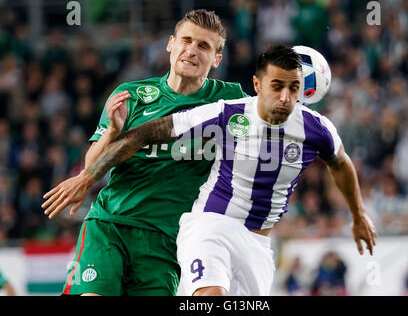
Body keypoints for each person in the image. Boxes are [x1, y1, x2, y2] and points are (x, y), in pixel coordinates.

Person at [43, 45, 377, 296]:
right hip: (210, 225)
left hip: (257, 243)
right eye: (277, 86)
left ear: (304, 91)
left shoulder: (317, 129)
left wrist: (358, 214)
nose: (285, 97)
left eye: (293, 87)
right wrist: (89, 175)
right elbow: (145, 133)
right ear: (258, 85)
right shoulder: (226, 114)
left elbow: (341, 163)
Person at [42, 9, 247, 296]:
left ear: (217, 58)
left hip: (166, 239)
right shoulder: (133, 94)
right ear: (170, 44)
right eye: (186, 41)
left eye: (203, 45)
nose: (191, 51)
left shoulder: (231, 100)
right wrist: (113, 132)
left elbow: (272, 121)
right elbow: (92, 162)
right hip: (111, 222)